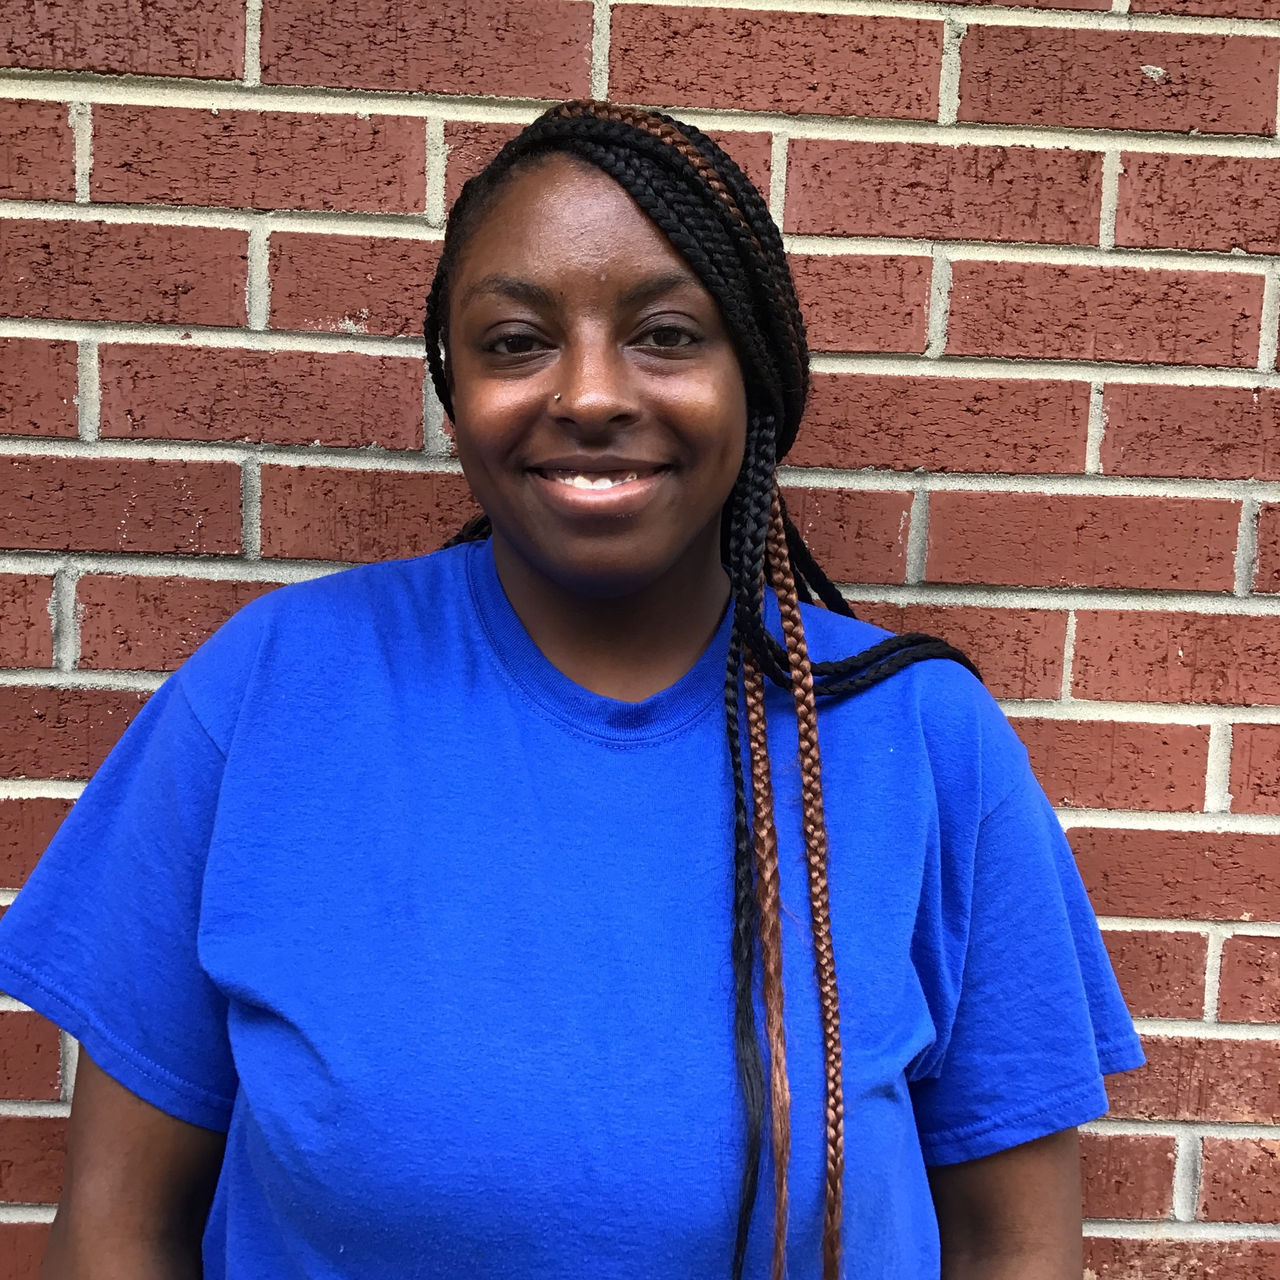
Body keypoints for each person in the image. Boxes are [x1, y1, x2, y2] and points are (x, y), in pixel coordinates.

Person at [0, 100, 1142, 1280]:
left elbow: (1014, 1246)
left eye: (664, 333)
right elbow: (117, 1228)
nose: (590, 393)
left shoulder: (912, 739)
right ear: (453, 384)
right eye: (514, 340)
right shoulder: (266, 692)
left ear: (754, 375)